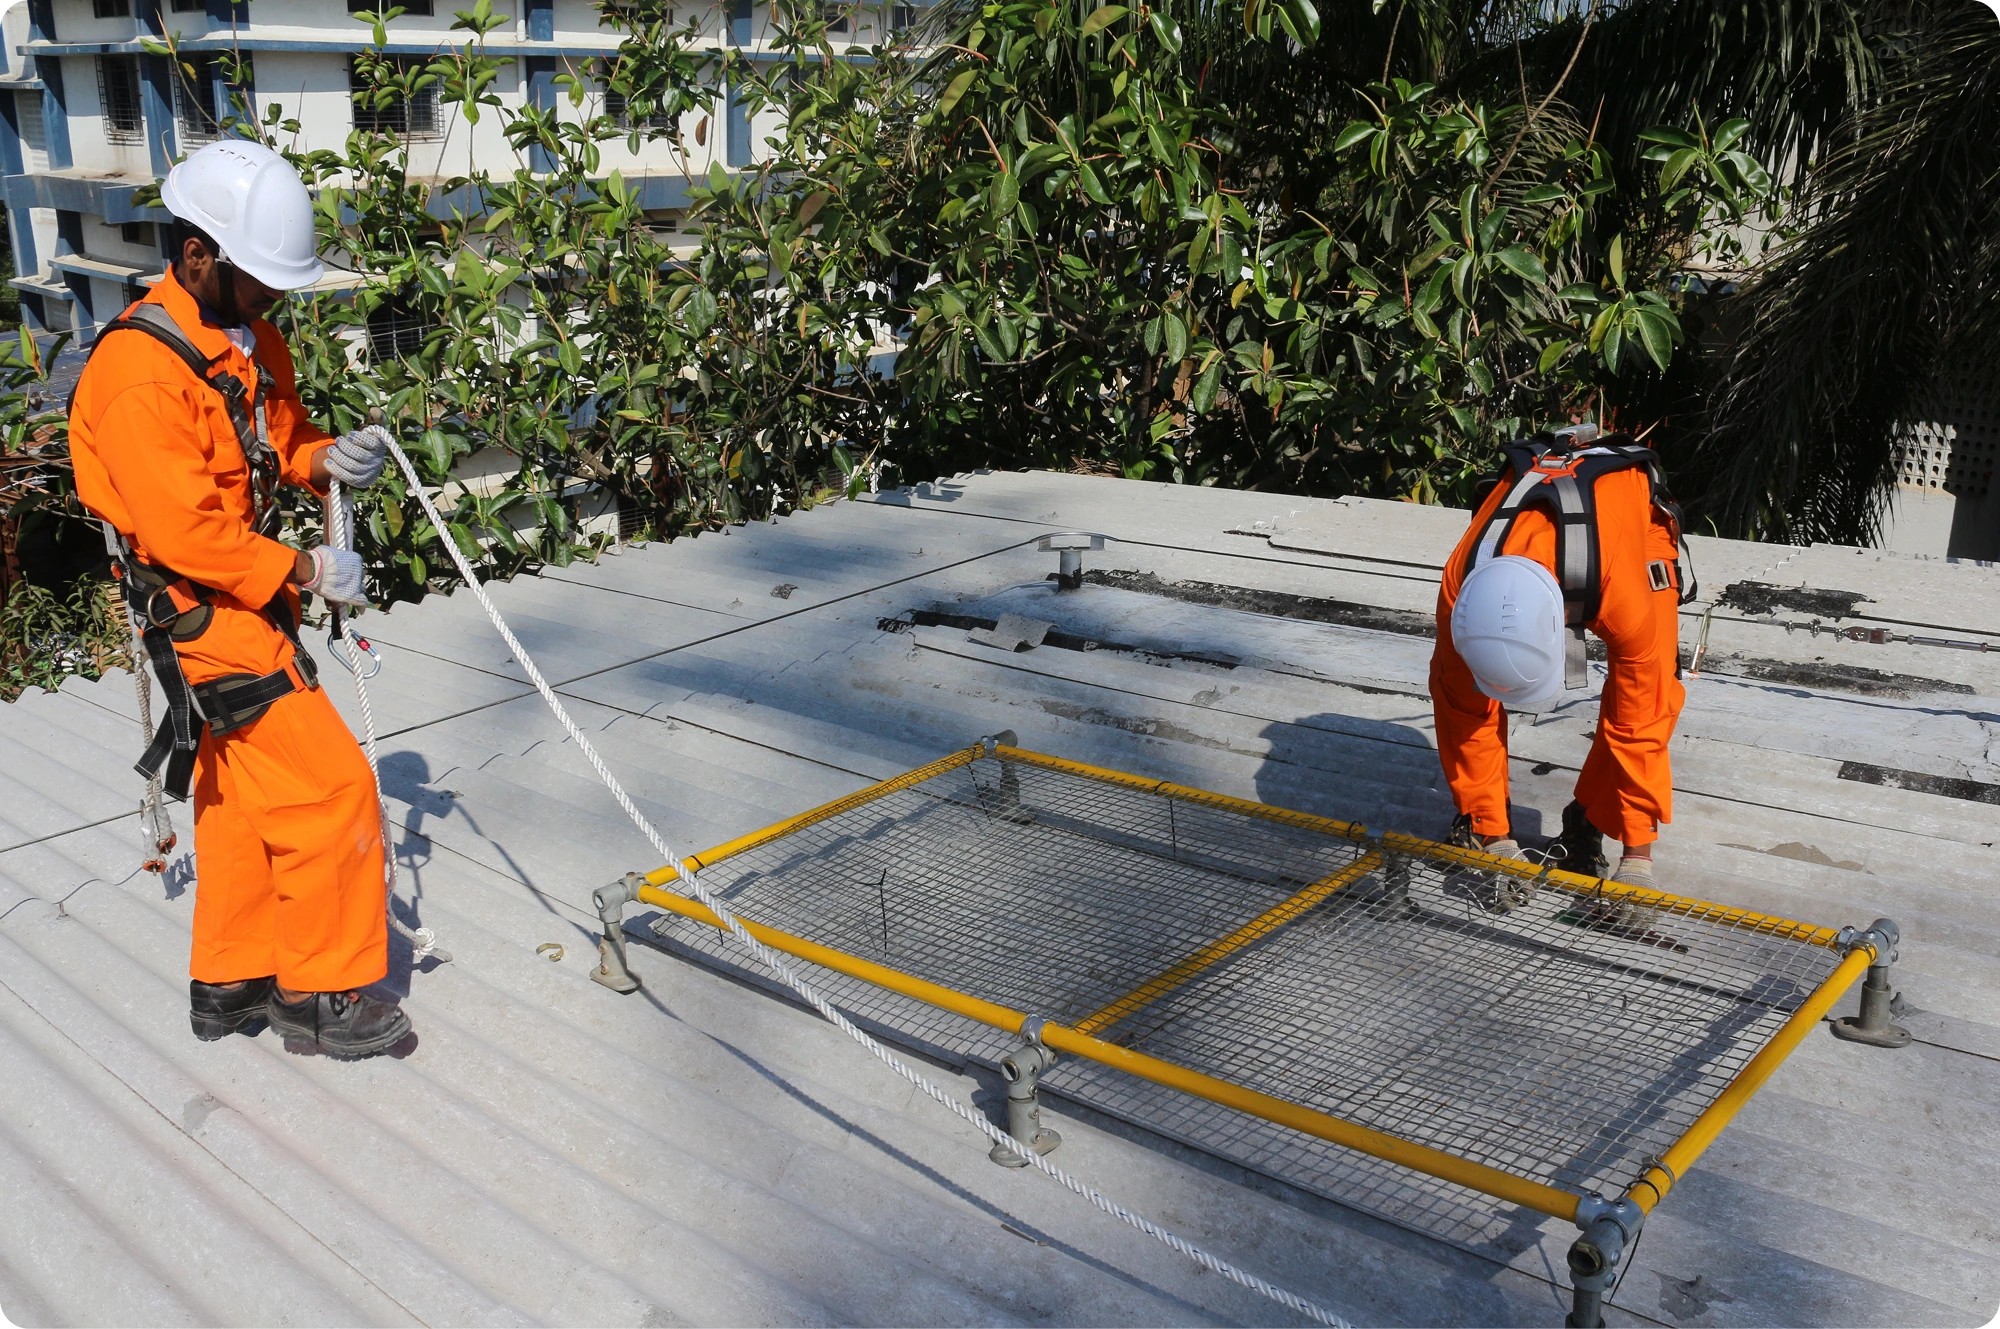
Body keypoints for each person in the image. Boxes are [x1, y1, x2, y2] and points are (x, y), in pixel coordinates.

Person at [68, 140, 411, 1056]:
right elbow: (184, 534)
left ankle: (233, 975)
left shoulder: (244, 336)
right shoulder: (143, 373)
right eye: (261, 279)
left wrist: (321, 458)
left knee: (239, 796)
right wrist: (303, 570)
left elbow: (277, 436)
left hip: (230, 600)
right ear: (196, 257)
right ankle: (323, 994)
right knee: (334, 788)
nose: (276, 298)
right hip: (201, 610)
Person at [1429, 424, 1691, 897]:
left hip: (1632, 524)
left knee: (1651, 691)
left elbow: (1641, 723)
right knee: (1458, 695)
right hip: (1529, 539)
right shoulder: (1459, 596)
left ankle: (1590, 817)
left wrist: (1638, 856)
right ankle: (1484, 815)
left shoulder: (1621, 602)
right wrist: (1495, 838)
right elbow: (1463, 712)